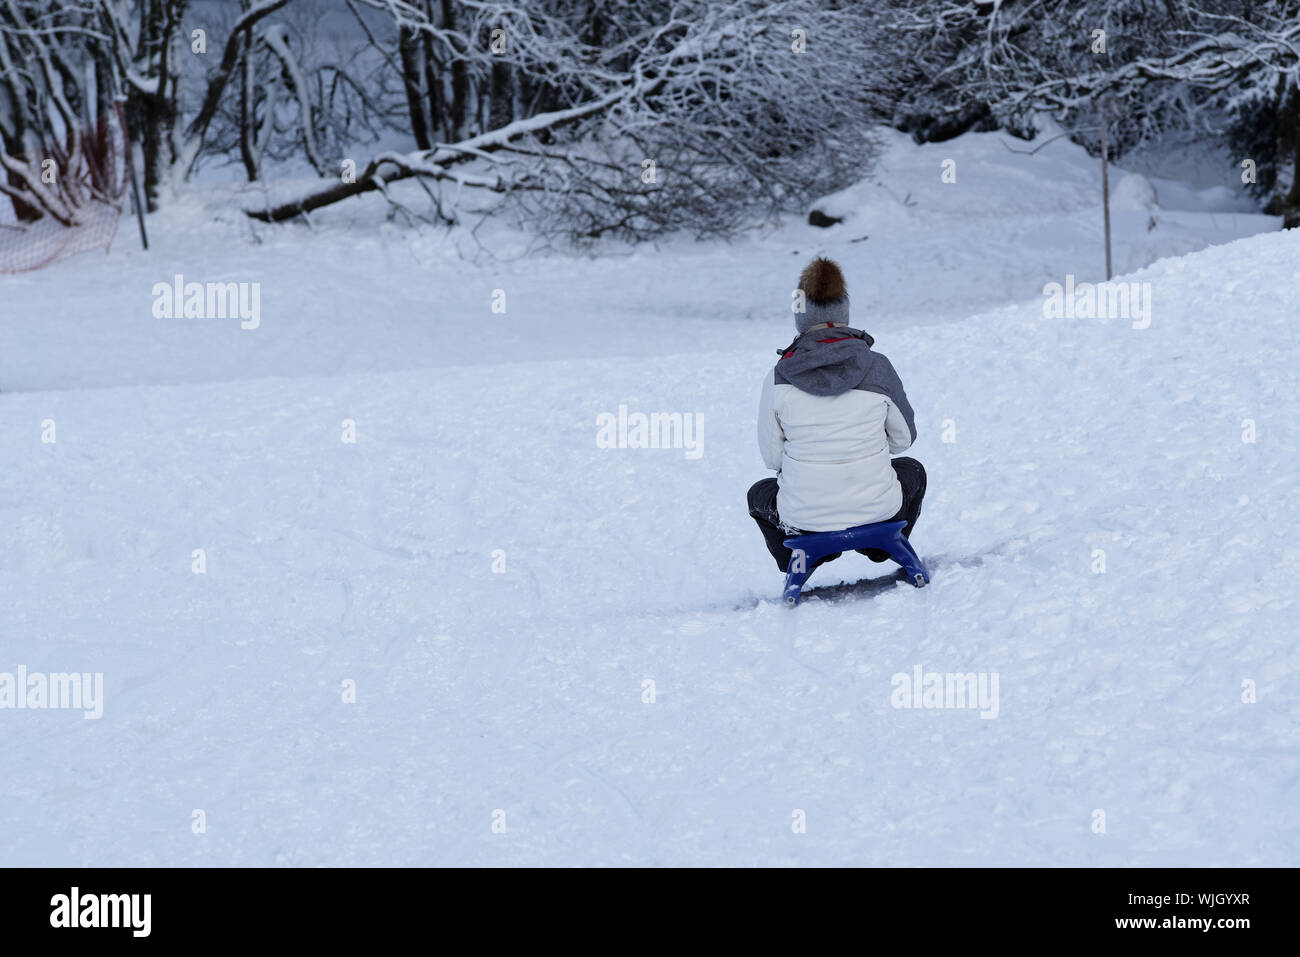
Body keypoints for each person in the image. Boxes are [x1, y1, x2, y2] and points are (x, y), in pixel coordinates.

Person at [747, 257, 926, 573]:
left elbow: (772, 458)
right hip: (878, 510)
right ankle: (882, 546)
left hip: (806, 519)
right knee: (912, 470)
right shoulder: (878, 367)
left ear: (800, 320)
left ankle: (800, 558)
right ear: (844, 314)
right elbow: (904, 441)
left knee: (759, 494)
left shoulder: (777, 379)